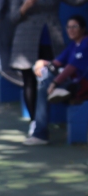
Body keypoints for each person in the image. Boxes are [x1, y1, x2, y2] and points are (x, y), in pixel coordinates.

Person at [9, 0, 88, 137]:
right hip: (26, 41)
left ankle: (49, 119)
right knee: (29, 80)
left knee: (51, 76)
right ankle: (35, 123)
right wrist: (25, 7)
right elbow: (12, 18)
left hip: (51, 38)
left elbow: (75, 0)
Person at [24, 15, 88, 145]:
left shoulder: (86, 43)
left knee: (44, 88)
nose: (71, 30)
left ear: (83, 29)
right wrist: (43, 62)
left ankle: (40, 134)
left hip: (81, 85)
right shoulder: (72, 45)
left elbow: (71, 67)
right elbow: (57, 62)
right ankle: (39, 130)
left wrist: (54, 83)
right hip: (70, 83)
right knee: (45, 80)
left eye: (75, 26)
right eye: (68, 27)